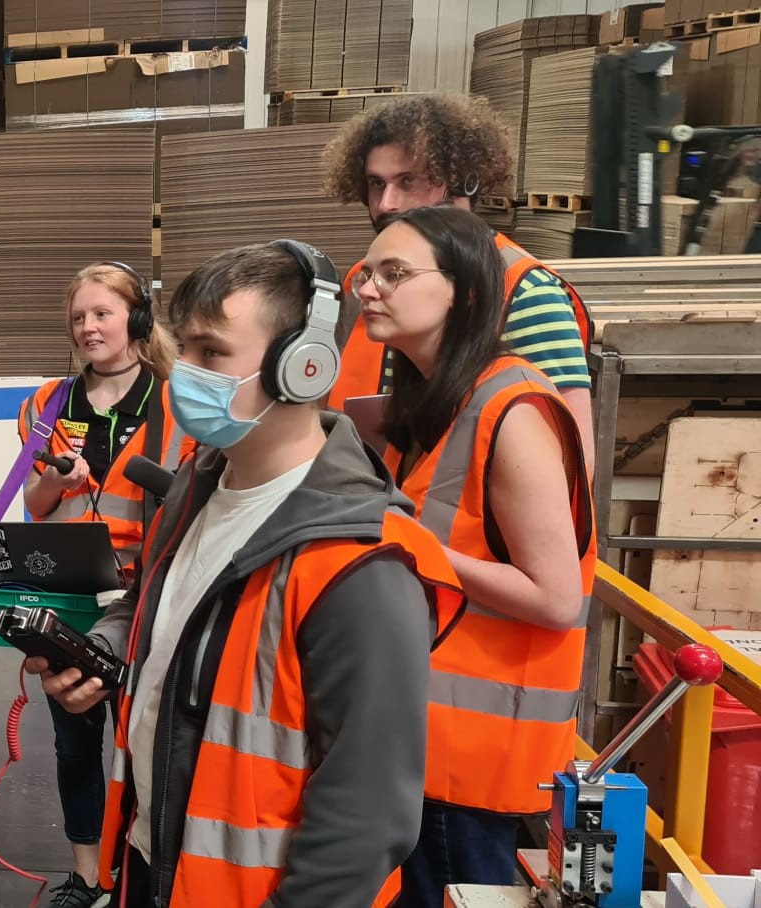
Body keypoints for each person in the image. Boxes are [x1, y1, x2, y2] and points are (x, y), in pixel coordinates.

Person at [29, 241, 463, 908]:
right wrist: (104, 653)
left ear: (305, 368)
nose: (184, 375)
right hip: (152, 867)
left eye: (212, 353)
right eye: (186, 349)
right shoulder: (195, 488)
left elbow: (366, 819)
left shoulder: (361, 567)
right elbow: (148, 601)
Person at [354, 206, 594, 907]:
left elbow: (556, 597)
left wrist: (406, 544)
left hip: (473, 761)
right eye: (368, 273)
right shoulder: (435, 402)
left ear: (462, 291)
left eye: (395, 273)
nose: (369, 288)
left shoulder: (512, 409)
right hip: (419, 740)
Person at [15, 262, 190, 908]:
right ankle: (87, 877)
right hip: (68, 594)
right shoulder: (45, 405)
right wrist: (55, 481)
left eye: (102, 314)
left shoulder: (177, 400)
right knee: (73, 740)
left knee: (145, 737)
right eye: (78, 317)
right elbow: (34, 503)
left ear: (137, 320)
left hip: (147, 594)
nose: (88, 327)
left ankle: (141, 871)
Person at [320, 93, 597, 465]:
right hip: (364, 494)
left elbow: (570, 459)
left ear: (463, 182)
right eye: (376, 184)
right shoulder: (361, 282)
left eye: (408, 181)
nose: (387, 203)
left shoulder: (525, 290)